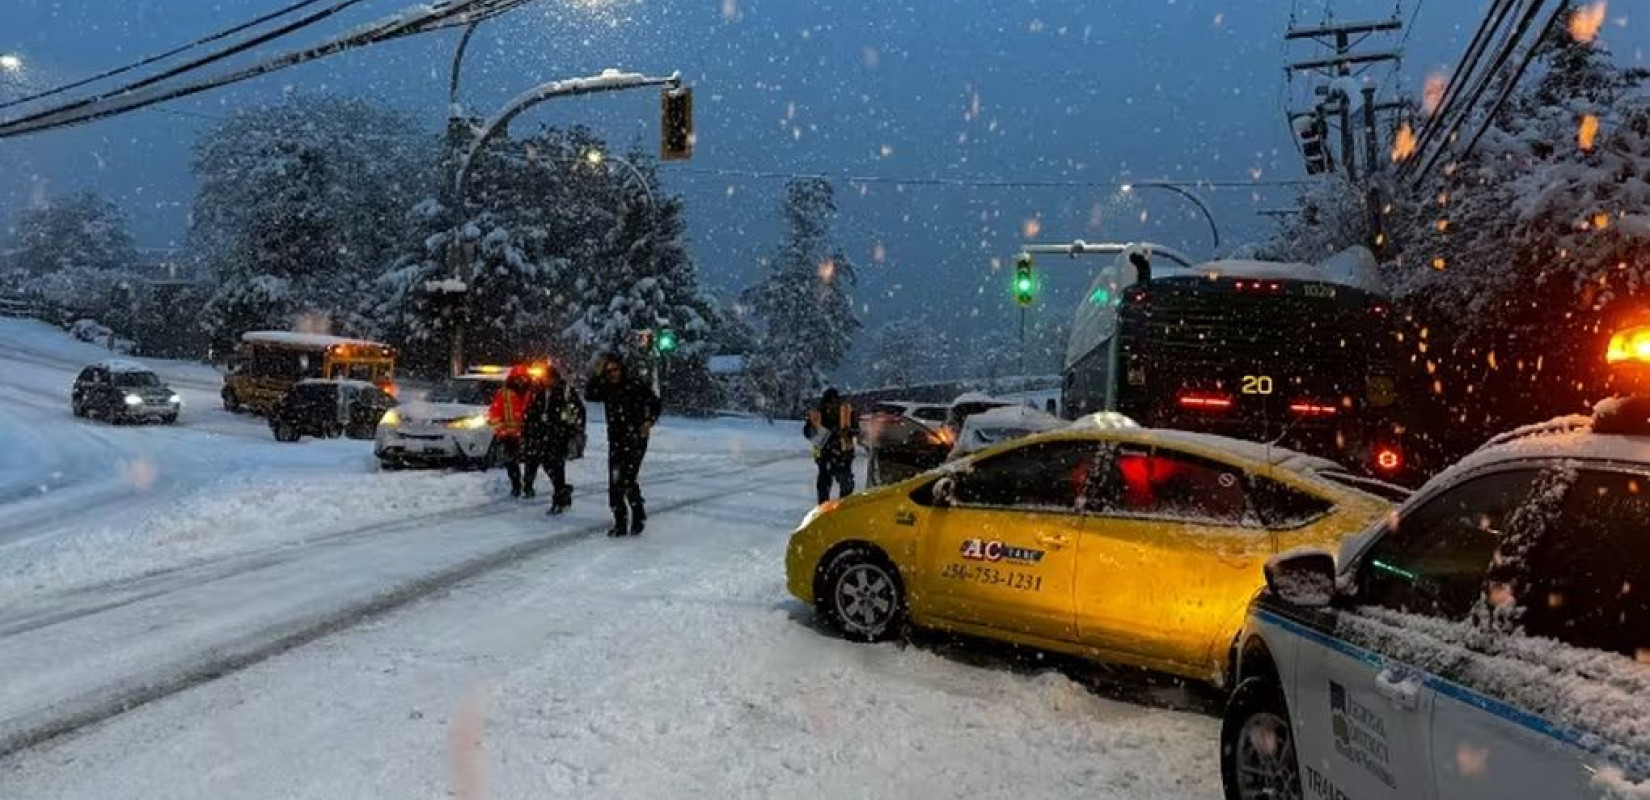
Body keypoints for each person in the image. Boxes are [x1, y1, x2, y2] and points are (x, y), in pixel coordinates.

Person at [585, 352, 661, 537]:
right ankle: (620, 520)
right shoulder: (606, 388)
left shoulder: (634, 385)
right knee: (615, 481)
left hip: (636, 437)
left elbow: (655, 403)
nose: (612, 374)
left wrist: (648, 421)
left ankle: (637, 515)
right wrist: (596, 374)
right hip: (616, 439)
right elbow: (590, 394)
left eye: (615, 370)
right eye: (608, 371)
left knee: (627, 479)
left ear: (621, 369)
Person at [522, 361, 587, 515]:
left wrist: (572, 429)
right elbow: (532, 412)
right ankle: (563, 490)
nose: (545, 381)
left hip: (559, 435)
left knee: (556, 466)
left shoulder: (565, 391)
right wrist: (529, 429)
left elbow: (578, 412)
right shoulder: (538, 391)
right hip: (541, 434)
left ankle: (559, 499)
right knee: (547, 465)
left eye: (547, 378)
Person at [487, 364, 535, 497]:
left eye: (523, 378)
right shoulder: (503, 393)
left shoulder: (533, 393)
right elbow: (494, 414)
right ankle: (516, 486)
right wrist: (501, 431)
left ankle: (528, 486)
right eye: (517, 378)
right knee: (512, 463)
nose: (520, 381)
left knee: (532, 462)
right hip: (509, 436)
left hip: (530, 434)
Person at [805, 388, 859, 503]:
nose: (830, 406)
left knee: (846, 483)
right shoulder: (818, 414)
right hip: (825, 453)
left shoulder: (846, 412)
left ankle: (845, 507)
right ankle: (823, 508)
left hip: (843, 453)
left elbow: (857, 429)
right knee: (824, 484)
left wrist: (848, 431)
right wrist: (814, 432)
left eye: (833, 403)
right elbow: (807, 431)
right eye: (829, 403)